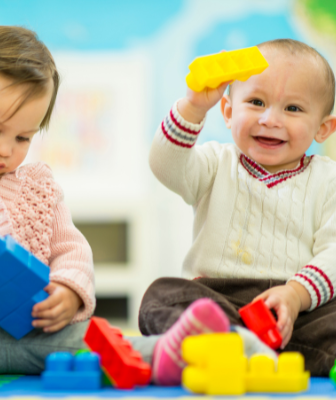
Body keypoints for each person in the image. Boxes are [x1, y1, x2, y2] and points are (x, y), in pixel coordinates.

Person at [0, 25, 260, 391]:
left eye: (23, 137)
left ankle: (166, 351)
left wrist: (67, 290)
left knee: (96, 339)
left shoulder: (41, 186)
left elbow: (71, 249)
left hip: (35, 330)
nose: (4, 149)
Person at [140, 38, 336, 376]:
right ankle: (228, 345)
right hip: (218, 298)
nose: (271, 119)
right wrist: (193, 107)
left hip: (295, 309)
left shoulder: (328, 178)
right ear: (229, 112)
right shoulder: (216, 163)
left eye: (292, 109)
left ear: (323, 128)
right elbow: (165, 165)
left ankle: (248, 354)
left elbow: (333, 252)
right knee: (161, 295)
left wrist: (295, 294)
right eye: (257, 102)